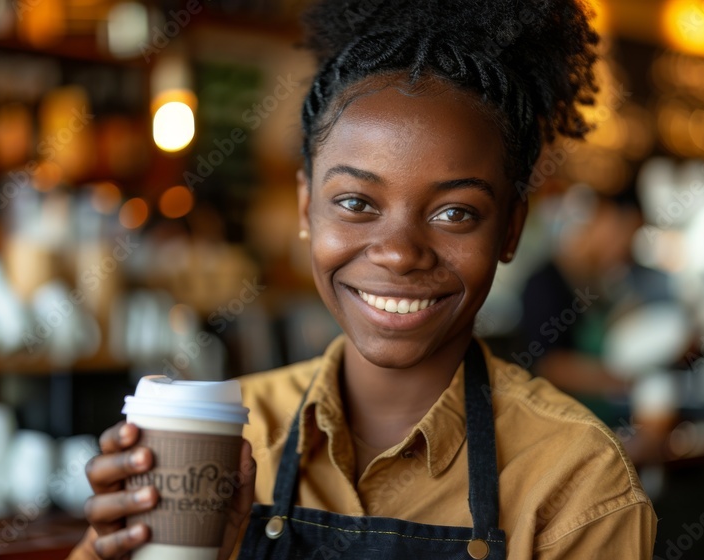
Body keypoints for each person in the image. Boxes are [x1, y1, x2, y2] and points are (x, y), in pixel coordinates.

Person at [70, 0, 658, 558]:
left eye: (455, 212)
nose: (400, 253)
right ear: (307, 209)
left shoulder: (577, 482)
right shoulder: (221, 445)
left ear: (510, 231)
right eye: (355, 202)